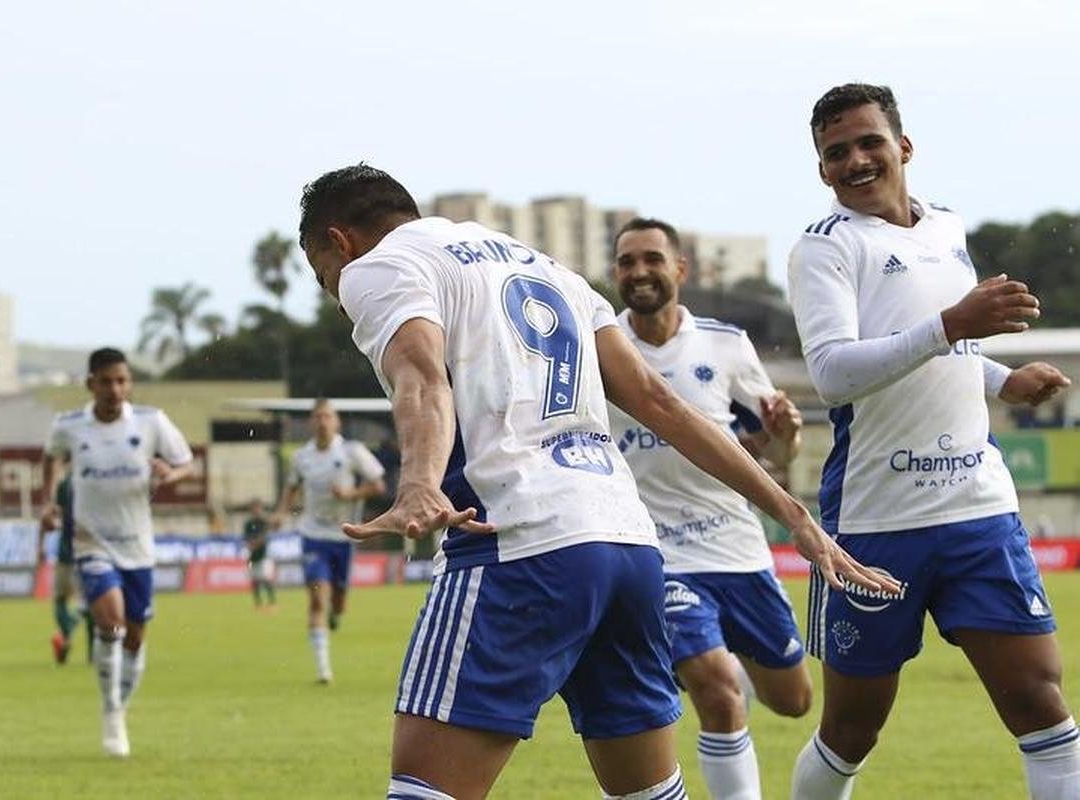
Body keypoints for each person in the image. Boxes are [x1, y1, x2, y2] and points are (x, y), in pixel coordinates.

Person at [296, 164, 895, 800]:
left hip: (516, 543)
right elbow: (663, 405)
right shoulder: (550, 269)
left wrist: (417, 480)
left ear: (340, 242)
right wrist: (795, 515)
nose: (335, 295)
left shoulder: (381, 265)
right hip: (627, 550)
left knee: (425, 790)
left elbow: (420, 374)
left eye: (321, 275)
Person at [787, 84, 1076, 799]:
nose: (854, 160)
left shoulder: (945, 229)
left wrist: (1000, 379)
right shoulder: (823, 249)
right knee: (851, 731)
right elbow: (831, 374)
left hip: (977, 508)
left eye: (867, 142)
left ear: (902, 147)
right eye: (835, 152)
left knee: (1042, 708)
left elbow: (936, 349)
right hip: (876, 523)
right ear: (821, 169)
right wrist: (952, 324)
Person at [609, 217, 812, 799]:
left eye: (651, 259)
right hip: (656, 553)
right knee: (718, 689)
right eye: (626, 262)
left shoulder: (725, 344)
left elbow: (776, 450)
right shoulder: (602, 348)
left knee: (793, 700)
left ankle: (724, 657)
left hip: (735, 546)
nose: (639, 271)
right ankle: (709, 663)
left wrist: (786, 434)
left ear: (679, 269)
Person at [41, 347, 194, 758]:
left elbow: (186, 463)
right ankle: (111, 714)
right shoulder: (70, 426)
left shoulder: (150, 422)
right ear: (90, 384)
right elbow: (52, 458)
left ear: (129, 383)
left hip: (137, 545)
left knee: (136, 635)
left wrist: (170, 472)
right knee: (110, 621)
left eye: (122, 380)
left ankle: (120, 708)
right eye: (106, 381)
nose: (115, 388)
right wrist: (49, 502)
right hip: (91, 541)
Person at [273, 398, 386, 683]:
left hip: (344, 535)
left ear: (337, 422)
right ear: (311, 422)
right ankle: (324, 670)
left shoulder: (351, 451)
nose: (322, 421)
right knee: (316, 600)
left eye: (327, 416)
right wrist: (281, 513)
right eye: (318, 416)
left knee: (337, 603)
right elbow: (291, 488)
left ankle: (336, 613)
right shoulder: (302, 457)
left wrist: (350, 495)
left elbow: (378, 485)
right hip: (313, 535)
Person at [37, 472, 94, 664]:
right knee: (89, 604)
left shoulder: (66, 482)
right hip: (85, 552)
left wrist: (41, 545)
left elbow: (51, 515)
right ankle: (91, 653)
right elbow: (52, 514)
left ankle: (66, 636)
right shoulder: (92, 478)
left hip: (73, 552)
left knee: (63, 600)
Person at [243, 498, 276, 610]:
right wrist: (252, 544)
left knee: (266, 578)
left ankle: (272, 602)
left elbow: (265, 538)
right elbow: (247, 539)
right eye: (254, 508)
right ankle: (258, 603)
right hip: (252, 556)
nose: (256, 510)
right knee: (255, 580)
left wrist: (256, 543)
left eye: (258, 508)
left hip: (264, 555)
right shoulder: (248, 524)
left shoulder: (264, 522)